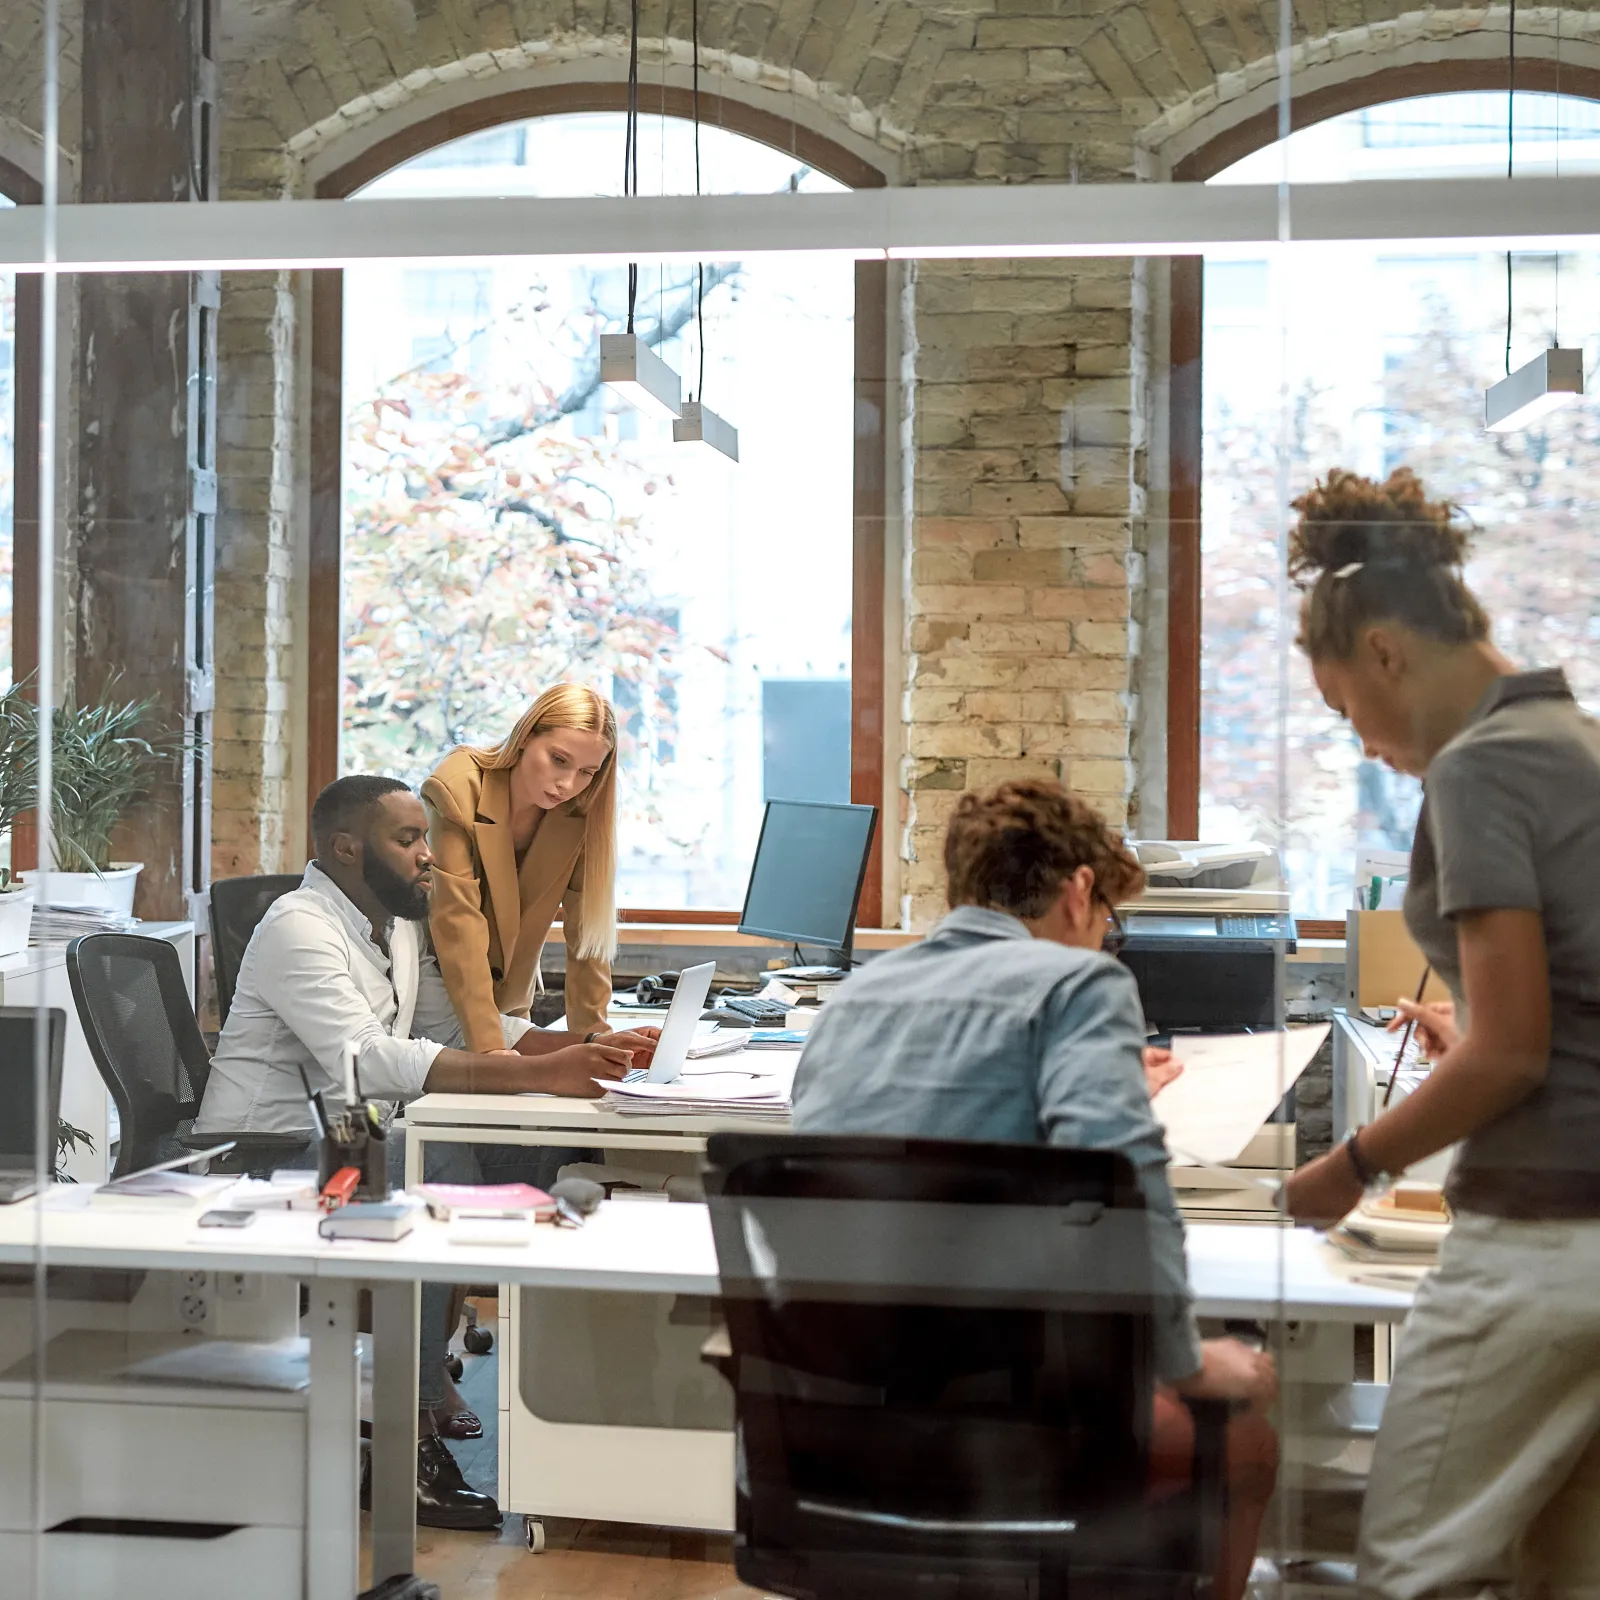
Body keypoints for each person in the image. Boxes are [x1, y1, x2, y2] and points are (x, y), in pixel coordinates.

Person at [791, 778, 1278, 1600]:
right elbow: (1121, 1192)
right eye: (1108, 928)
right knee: (1247, 1437)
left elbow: (930, 1149)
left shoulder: (852, 1000)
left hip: (842, 1417)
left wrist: (1104, 1086)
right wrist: (1188, 1362)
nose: (1102, 948)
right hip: (1011, 1424)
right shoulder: (1076, 987)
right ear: (1079, 890)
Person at [1278, 467, 1600, 1598]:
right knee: (1559, 1574)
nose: (1360, 741)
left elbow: (1514, 1054)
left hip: (1541, 1239)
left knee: (1410, 1562)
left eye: (1341, 709)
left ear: (1383, 653)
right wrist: (1466, 1024)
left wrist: (1350, 1164)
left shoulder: (1481, 767)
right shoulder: (1576, 739)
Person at [196, 774, 658, 1531]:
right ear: (347, 847)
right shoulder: (297, 925)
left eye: (424, 840)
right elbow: (367, 1059)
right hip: (266, 1153)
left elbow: (465, 1034)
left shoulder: (399, 931)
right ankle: (401, 1446)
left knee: (549, 1147)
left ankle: (582, 1408)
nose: (427, 858)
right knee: (428, 1151)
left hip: (350, 1139)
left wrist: (590, 1048)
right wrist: (541, 1075)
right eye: (407, 841)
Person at [422, 684, 620, 1050]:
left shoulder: (582, 812)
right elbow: (458, 927)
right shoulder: (456, 789)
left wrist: (595, 1046)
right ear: (527, 735)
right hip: (436, 1010)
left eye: (587, 772)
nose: (568, 784)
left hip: (513, 1015)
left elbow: (587, 937)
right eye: (559, 760)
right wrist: (493, 1054)